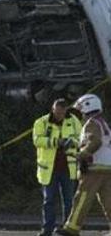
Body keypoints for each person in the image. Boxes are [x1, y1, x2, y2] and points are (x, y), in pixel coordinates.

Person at [56, 94, 111, 236]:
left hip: (94, 168)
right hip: (107, 167)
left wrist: (82, 155)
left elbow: (95, 142)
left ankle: (72, 228)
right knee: (108, 200)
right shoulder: (102, 123)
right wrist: (76, 144)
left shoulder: (91, 123)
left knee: (82, 197)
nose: (80, 113)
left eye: (80, 110)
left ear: (88, 106)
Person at [32, 98, 82, 236]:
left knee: (69, 200)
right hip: (49, 169)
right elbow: (37, 140)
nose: (59, 115)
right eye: (57, 112)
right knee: (49, 200)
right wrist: (56, 142)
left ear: (66, 110)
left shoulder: (73, 121)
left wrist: (71, 142)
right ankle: (47, 229)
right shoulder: (41, 122)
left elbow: (82, 139)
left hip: (68, 168)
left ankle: (68, 228)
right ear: (53, 109)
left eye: (62, 112)